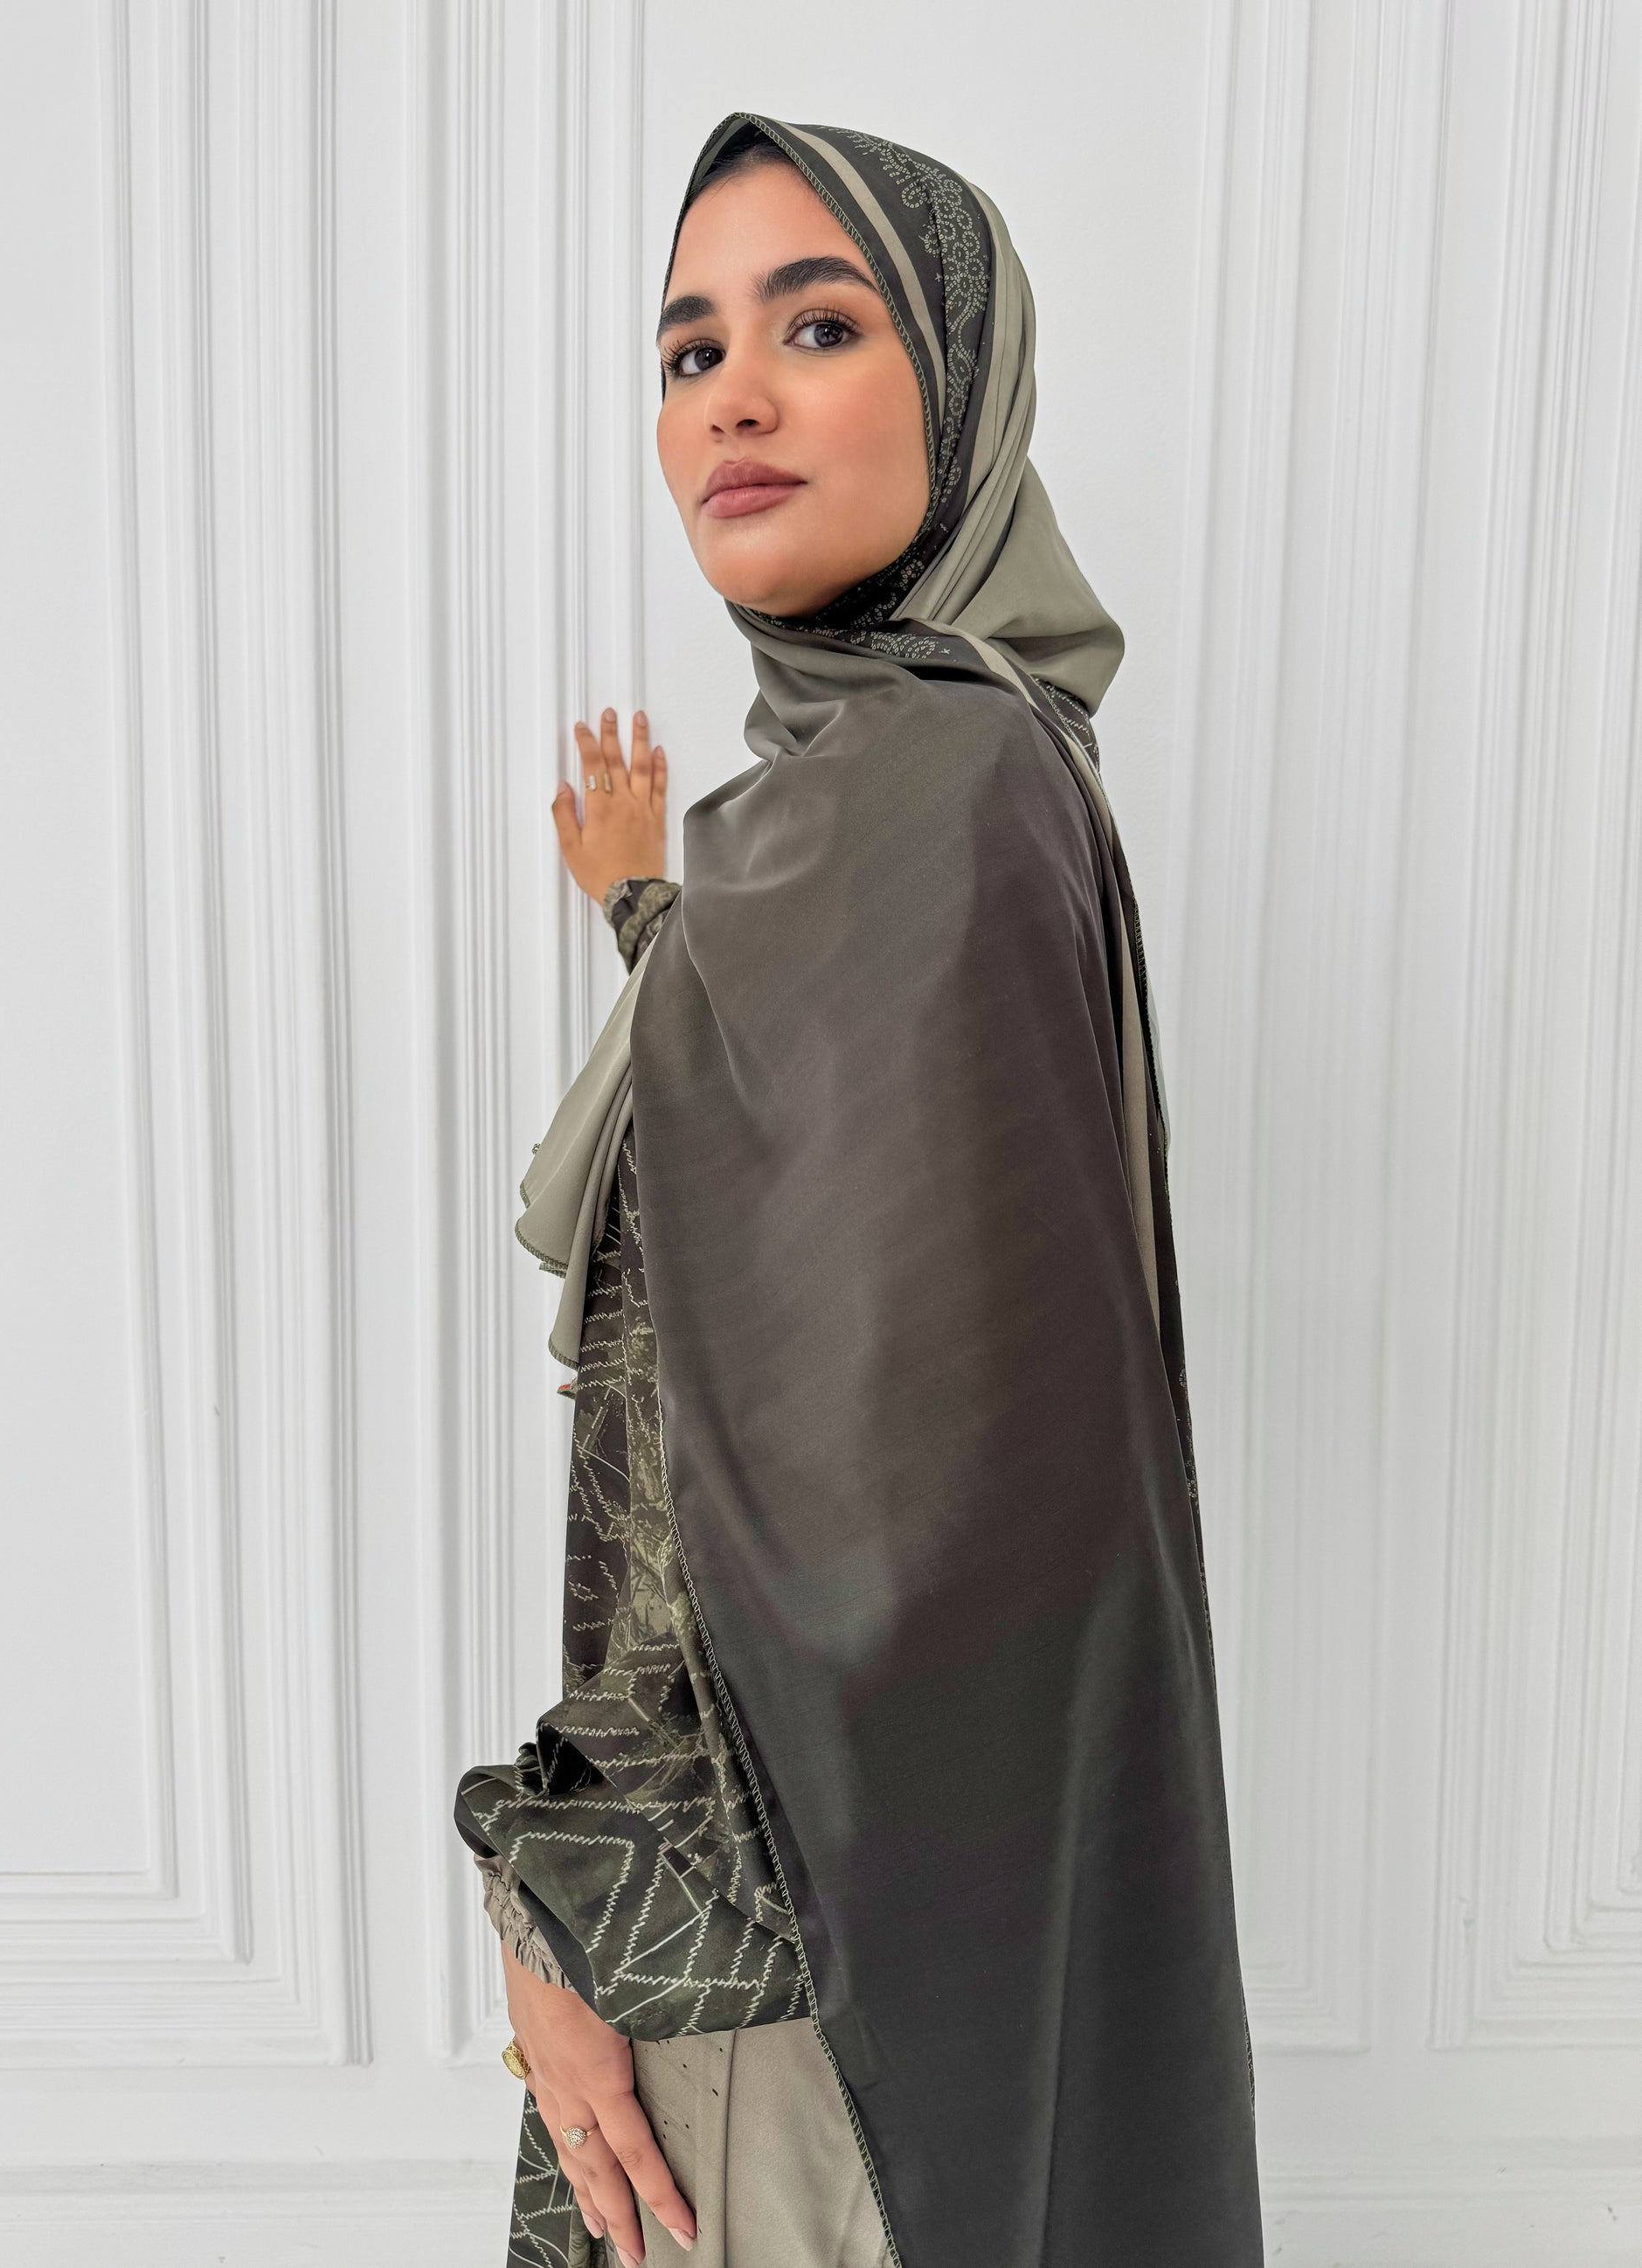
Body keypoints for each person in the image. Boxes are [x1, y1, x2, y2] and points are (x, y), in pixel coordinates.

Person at [454, 113, 1264, 2268]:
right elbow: (808, 1209)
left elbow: (824, 1488)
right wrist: (652, 908)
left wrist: (571, 1896)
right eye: (687, 348)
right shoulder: (941, 776)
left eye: (817, 327)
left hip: (781, 1938)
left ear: (963, 383)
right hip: (874, 1893)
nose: (731, 394)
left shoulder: (923, 786)